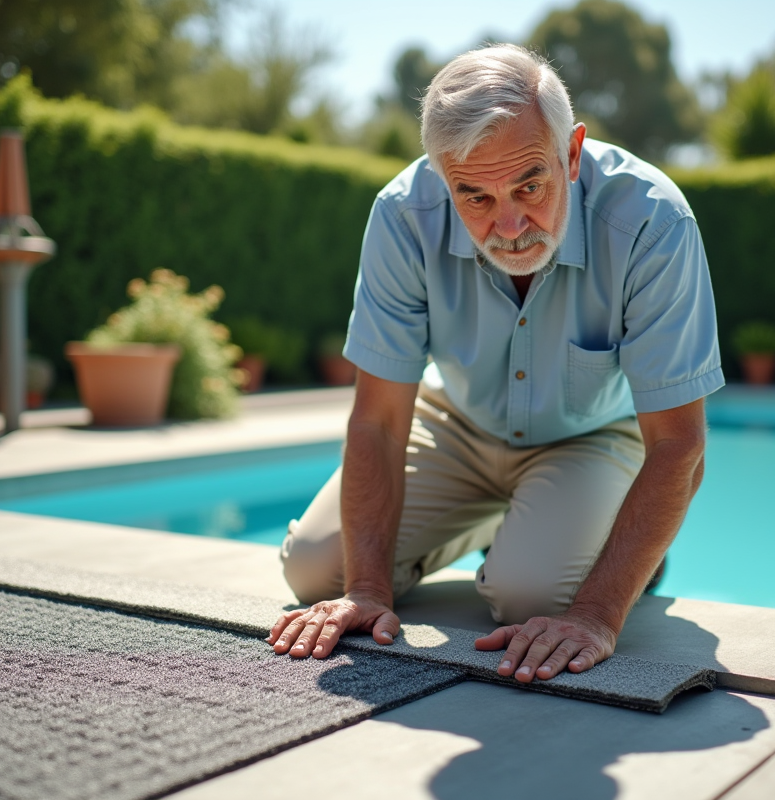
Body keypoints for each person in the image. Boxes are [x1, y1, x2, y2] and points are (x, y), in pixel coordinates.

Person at [268, 43, 723, 684]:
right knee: (317, 570)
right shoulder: (402, 214)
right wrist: (368, 591)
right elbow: (376, 421)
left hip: (589, 433)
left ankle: (608, 550)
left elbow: (680, 445)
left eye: (529, 185)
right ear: (440, 173)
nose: (508, 225)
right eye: (473, 196)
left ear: (571, 152)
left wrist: (597, 614)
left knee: (534, 601)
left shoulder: (653, 220)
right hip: (454, 418)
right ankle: (511, 530)